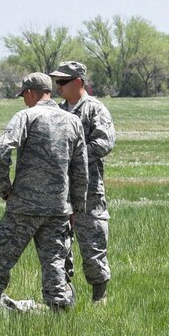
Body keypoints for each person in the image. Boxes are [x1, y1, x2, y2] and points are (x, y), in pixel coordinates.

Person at [0, 72, 88, 313]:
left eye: (24, 96)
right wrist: (76, 207)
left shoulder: (26, 116)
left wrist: (4, 188)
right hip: (58, 208)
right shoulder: (73, 121)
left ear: (29, 93)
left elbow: (1, 152)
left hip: (23, 207)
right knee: (55, 263)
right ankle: (60, 314)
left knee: (1, 257)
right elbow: (80, 170)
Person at [53, 60, 116, 304]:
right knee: (60, 245)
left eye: (63, 82)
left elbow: (104, 142)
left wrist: (76, 157)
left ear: (78, 82)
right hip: (61, 191)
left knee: (93, 245)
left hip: (89, 191)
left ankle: (99, 297)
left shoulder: (94, 109)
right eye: (57, 82)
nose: (59, 86)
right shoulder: (58, 111)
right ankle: (64, 298)